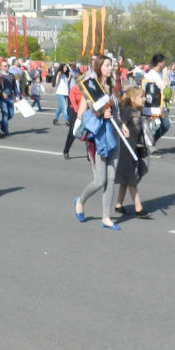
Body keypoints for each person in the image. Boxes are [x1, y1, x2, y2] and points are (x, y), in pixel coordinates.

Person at [73, 56, 122, 230]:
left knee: (111, 178)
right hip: (99, 137)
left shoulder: (113, 88)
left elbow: (116, 112)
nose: (111, 68)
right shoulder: (91, 88)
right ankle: (80, 200)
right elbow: (81, 115)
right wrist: (100, 114)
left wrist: (123, 126)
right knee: (100, 180)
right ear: (100, 67)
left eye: (112, 65)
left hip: (115, 136)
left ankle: (106, 217)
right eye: (108, 65)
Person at [113, 86, 150, 219]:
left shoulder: (138, 110)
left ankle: (118, 205)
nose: (144, 98)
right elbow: (120, 123)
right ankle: (138, 208)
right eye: (141, 96)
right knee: (131, 178)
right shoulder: (127, 110)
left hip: (133, 147)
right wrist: (122, 124)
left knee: (125, 178)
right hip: (126, 148)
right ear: (133, 98)